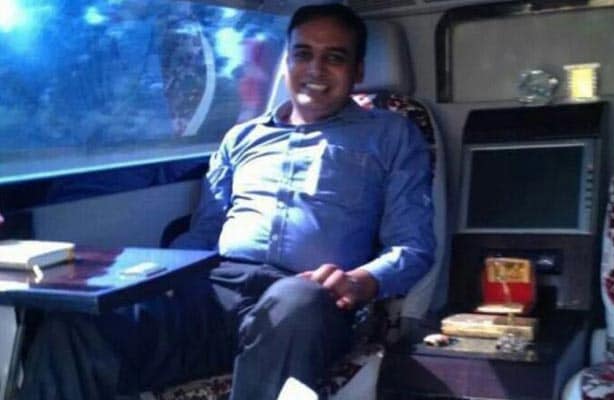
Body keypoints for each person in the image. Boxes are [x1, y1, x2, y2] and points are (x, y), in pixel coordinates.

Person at [17, 4, 434, 400]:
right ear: (286, 62)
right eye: (303, 54)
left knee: (296, 302)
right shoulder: (241, 137)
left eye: (335, 57)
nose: (315, 69)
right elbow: (205, 231)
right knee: (78, 324)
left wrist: (360, 281)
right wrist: (156, 279)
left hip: (308, 299)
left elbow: (413, 246)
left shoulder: (393, 134)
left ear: (358, 70)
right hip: (214, 292)